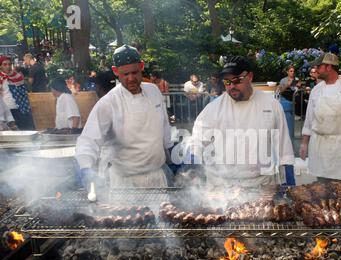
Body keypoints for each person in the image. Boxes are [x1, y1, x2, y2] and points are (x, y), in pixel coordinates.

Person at [75, 44, 173, 188]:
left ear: (141, 66)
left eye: (135, 72)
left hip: (156, 177)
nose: (131, 78)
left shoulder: (154, 92)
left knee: (164, 212)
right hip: (124, 183)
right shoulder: (109, 103)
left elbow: (164, 128)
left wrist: (172, 155)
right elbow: (89, 140)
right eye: (125, 74)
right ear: (115, 71)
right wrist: (85, 167)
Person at [189, 56, 295, 187]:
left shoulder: (271, 105)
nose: (232, 86)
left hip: (260, 185)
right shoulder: (213, 109)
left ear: (250, 77)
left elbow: (284, 148)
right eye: (227, 82)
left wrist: (289, 183)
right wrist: (192, 168)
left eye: (237, 80)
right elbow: (197, 142)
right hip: (221, 186)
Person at [300, 52, 341, 184]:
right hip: (319, 145)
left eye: (319, 67)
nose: (316, 70)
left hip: (340, 145)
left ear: (329, 67)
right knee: (322, 188)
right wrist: (304, 143)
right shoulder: (316, 90)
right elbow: (309, 119)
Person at [0, 55, 35, 129]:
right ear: (0, 66)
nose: (8, 66)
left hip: (21, 108)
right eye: (5, 64)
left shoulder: (17, 76)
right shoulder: (1, 78)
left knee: (25, 129)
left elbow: (24, 92)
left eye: (9, 64)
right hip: (7, 109)